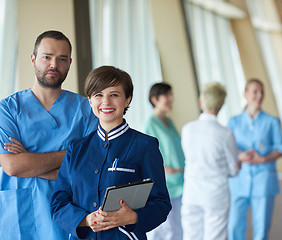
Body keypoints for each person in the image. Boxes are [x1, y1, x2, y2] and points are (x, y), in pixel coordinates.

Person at [50, 66, 171, 240]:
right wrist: (85, 219)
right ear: (90, 101)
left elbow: (161, 204)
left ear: (127, 100)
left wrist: (133, 217)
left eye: (114, 95)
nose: (105, 102)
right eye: (98, 95)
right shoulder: (76, 149)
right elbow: (58, 204)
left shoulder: (145, 146)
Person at [0, 30, 98, 240]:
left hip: (69, 214)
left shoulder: (86, 110)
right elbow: (13, 166)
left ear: (70, 63)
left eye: (62, 59)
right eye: (47, 57)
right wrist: (71, 155)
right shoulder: (7, 110)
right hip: (20, 215)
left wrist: (29, 160)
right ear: (33, 59)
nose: (54, 64)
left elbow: (89, 172)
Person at [227, 79, 282, 240]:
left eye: (261, 92)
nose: (259, 95)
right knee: (233, 226)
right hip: (238, 181)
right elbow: (227, 148)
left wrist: (264, 158)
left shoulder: (272, 121)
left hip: (263, 180)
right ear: (246, 94)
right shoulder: (234, 122)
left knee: (261, 229)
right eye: (255, 91)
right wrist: (240, 155)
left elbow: (280, 148)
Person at [181, 82, 241, 240]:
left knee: (191, 236)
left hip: (191, 193)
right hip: (215, 195)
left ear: (201, 102)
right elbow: (233, 169)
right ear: (221, 104)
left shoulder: (187, 129)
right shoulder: (225, 134)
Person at [144, 82, 185, 240]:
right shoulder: (150, 124)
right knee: (168, 231)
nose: (171, 99)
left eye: (171, 95)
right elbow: (147, 155)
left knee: (179, 229)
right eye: (166, 95)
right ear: (154, 99)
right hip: (167, 184)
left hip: (180, 182)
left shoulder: (169, 122)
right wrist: (167, 169)